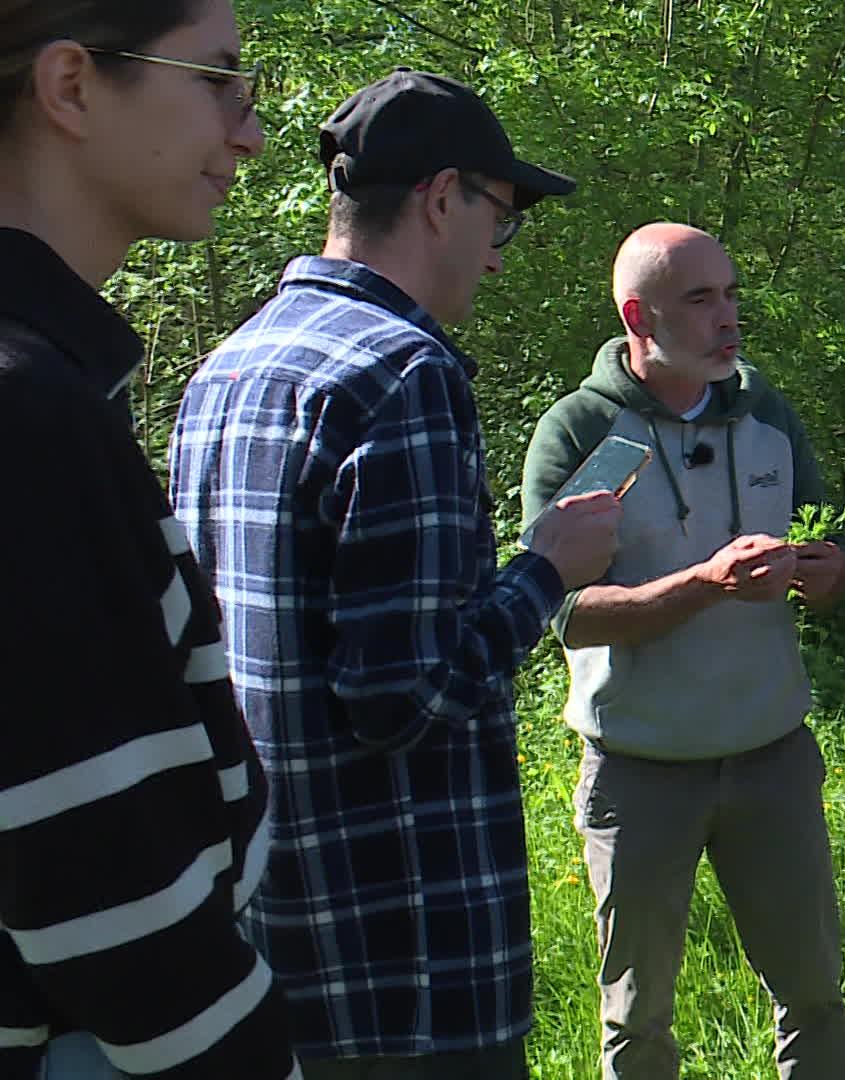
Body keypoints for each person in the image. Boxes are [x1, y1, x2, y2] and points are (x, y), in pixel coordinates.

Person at [167, 69, 619, 1078]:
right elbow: (403, 693)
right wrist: (546, 571)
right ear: (442, 195)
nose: (497, 260)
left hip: (273, 931)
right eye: (500, 219)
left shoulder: (227, 368)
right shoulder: (405, 373)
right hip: (407, 963)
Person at [0, 2, 298, 1077]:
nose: (250, 130)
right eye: (216, 78)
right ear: (71, 86)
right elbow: (109, 895)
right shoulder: (24, 411)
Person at [520, 222, 845, 1080]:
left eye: (733, 293)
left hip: (773, 755)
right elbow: (561, 612)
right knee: (638, 1019)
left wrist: (817, 571)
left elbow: (835, 557)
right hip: (639, 767)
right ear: (640, 315)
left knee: (814, 995)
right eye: (701, 300)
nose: (729, 317)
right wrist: (703, 584)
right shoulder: (579, 432)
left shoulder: (768, 415)